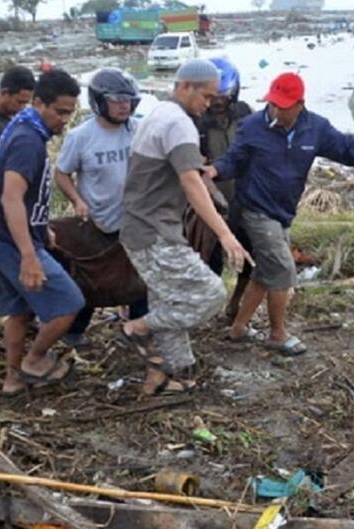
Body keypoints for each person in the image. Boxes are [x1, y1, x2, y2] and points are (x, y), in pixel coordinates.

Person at [208, 72, 354, 356]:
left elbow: (347, 148)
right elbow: (233, 159)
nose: (276, 110)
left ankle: (238, 328)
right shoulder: (251, 126)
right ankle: (277, 334)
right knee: (283, 268)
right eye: (273, 103)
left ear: (300, 103)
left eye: (284, 105)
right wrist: (215, 170)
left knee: (266, 271)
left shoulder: (315, 129)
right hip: (254, 209)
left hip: (283, 211)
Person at [118, 59, 252, 395]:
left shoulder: (159, 114)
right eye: (205, 96)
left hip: (143, 226)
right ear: (184, 87)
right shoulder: (179, 123)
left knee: (171, 297)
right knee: (210, 294)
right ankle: (136, 327)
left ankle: (178, 372)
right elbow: (191, 181)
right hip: (152, 231)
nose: (208, 104)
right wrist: (225, 233)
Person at [0, 70, 85, 393]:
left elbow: (25, 197)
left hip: (2, 235)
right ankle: (35, 359)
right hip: (13, 242)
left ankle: (12, 379)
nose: (65, 120)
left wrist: (41, 228)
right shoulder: (28, 141)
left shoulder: (23, 126)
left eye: (70, 112)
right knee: (69, 302)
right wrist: (29, 254)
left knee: (19, 311)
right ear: (39, 103)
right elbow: (10, 197)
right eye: (61, 112)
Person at [54, 68, 147, 348]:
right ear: (99, 101)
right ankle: (73, 332)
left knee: (141, 279)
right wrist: (77, 201)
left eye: (128, 100)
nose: (124, 106)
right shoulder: (81, 137)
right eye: (117, 100)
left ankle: (137, 329)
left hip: (134, 222)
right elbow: (61, 173)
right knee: (91, 282)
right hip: (97, 223)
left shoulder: (138, 129)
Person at [195, 57, 253, 320]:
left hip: (244, 199)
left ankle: (235, 305)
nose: (217, 103)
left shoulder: (245, 114)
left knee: (250, 259)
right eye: (212, 96)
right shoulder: (193, 121)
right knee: (210, 262)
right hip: (208, 203)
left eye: (223, 96)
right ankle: (206, 309)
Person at [0, 66, 36, 204]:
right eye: (19, 102)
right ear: (4, 93)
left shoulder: (7, 119)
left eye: (25, 104)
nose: (22, 108)